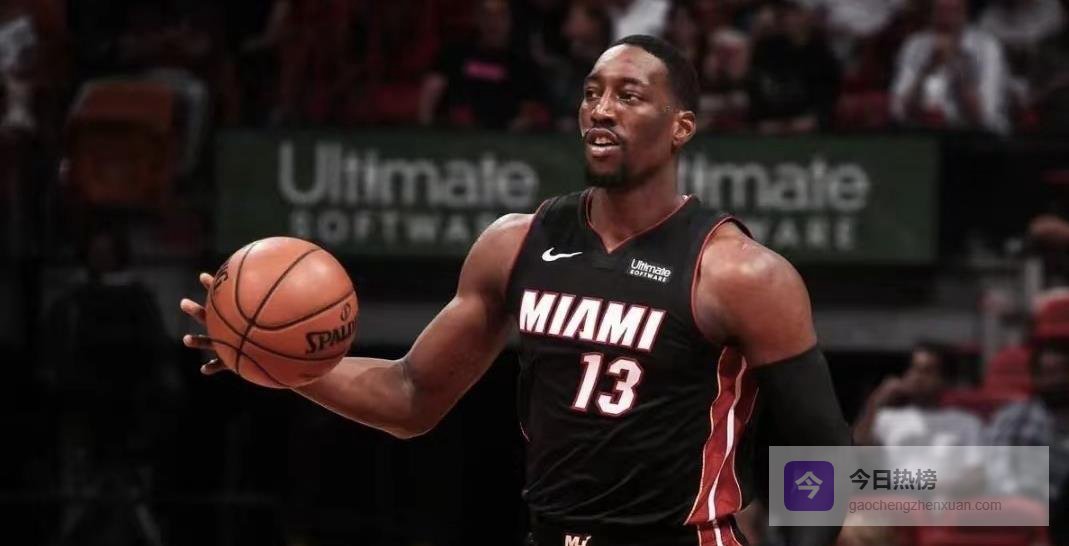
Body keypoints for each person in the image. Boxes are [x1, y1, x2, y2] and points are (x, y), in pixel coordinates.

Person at [182, 35, 849, 546]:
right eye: (592, 93)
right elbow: (411, 396)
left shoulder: (740, 274)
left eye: (629, 96)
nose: (601, 110)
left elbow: (824, 452)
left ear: (680, 127)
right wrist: (274, 359)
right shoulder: (515, 244)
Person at [853, 342, 985, 492]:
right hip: (895, 500)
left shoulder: (967, 423)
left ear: (945, 378)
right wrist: (876, 401)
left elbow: (977, 476)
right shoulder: (887, 419)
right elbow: (858, 446)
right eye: (914, 369)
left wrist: (936, 488)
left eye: (927, 371)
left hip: (945, 500)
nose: (917, 377)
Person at [418, 0, 546, 130]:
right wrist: (426, 125)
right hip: (455, 132)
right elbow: (431, 89)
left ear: (511, 20)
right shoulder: (455, 52)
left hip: (502, 133)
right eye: (486, 15)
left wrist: (518, 125)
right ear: (477, 18)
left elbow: (528, 108)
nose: (493, 22)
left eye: (501, 16)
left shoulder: (523, 62)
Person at [890, 0, 1011, 133]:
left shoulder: (987, 47)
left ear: (964, 12)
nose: (946, 18)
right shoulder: (915, 45)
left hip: (979, 138)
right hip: (925, 134)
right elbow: (899, 111)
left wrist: (957, 65)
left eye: (953, 11)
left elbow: (984, 117)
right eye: (941, 11)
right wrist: (927, 69)